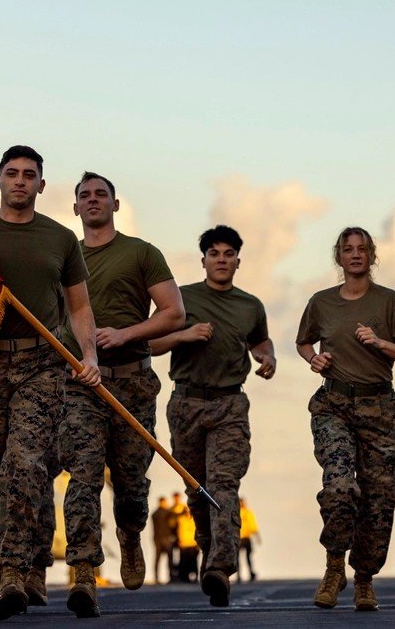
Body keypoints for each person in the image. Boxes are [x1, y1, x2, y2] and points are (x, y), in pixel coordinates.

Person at [0, 145, 101, 620]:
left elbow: (79, 307)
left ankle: (15, 572)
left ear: (42, 185)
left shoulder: (60, 239)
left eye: (29, 175)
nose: (20, 181)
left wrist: (88, 356)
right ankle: (10, 560)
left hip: (42, 365)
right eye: (12, 174)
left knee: (25, 462)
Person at [60, 172, 185, 617]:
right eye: (84, 196)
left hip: (132, 380)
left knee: (131, 485)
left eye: (100, 195)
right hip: (80, 384)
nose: (92, 201)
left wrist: (126, 333)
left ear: (115, 204)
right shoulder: (62, 255)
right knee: (84, 476)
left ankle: (131, 535)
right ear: (75, 208)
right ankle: (83, 572)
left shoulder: (142, 253)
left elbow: (174, 314)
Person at [149, 225, 276, 607]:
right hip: (186, 403)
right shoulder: (182, 300)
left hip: (229, 405)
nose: (221, 260)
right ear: (203, 259)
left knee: (223, 484)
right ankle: (209, 558)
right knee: (197, 491)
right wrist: (183, 336)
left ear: (238, 260)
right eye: (214, 254)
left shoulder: (250, 305)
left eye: (228, 254)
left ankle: (220, 566)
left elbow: (260, 340)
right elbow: (150, 343)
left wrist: (267, 357)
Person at [297, 226, 395, 612]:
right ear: (339, 256)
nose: (355, 255)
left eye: (362, 249)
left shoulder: (389, 302)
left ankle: (364, 577)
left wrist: (380, 343)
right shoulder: (321, 303)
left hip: (379, 410)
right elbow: (304, 342)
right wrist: (313, 359)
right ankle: (334, 567)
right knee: (338, 486)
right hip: (334, 405)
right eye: (348, 249)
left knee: (379, 503)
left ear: (371, 256)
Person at [151, 497, 175, 585]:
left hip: (158, 538)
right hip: (164, 539)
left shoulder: (155, 513)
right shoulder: (166, 513)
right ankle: (170, 577)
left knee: (159, 559)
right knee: (168, 559)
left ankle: (157, 577)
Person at [237, 498, 260, 582]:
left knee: (246, 557)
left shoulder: (245, 513)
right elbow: (253, 526)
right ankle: (241, 574)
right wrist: (257, 537)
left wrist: (257, 536)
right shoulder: (243, 513)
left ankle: (248, 573)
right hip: (240, 537)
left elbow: (253, 526)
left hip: (244, 537)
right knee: (243, 557)